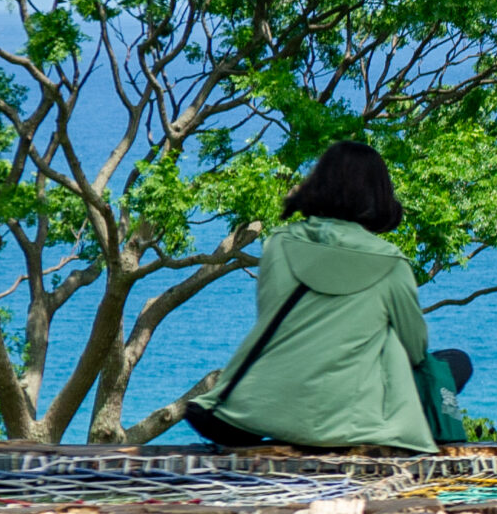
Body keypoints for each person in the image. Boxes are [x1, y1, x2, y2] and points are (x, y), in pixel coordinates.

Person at [184, 143, 470, 452]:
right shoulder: (391, 262)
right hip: (352, 424)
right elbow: (415, 350)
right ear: (378, 195)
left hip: (264, 412)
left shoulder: (279, 244)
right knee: (455, 362)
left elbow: (273, 318)